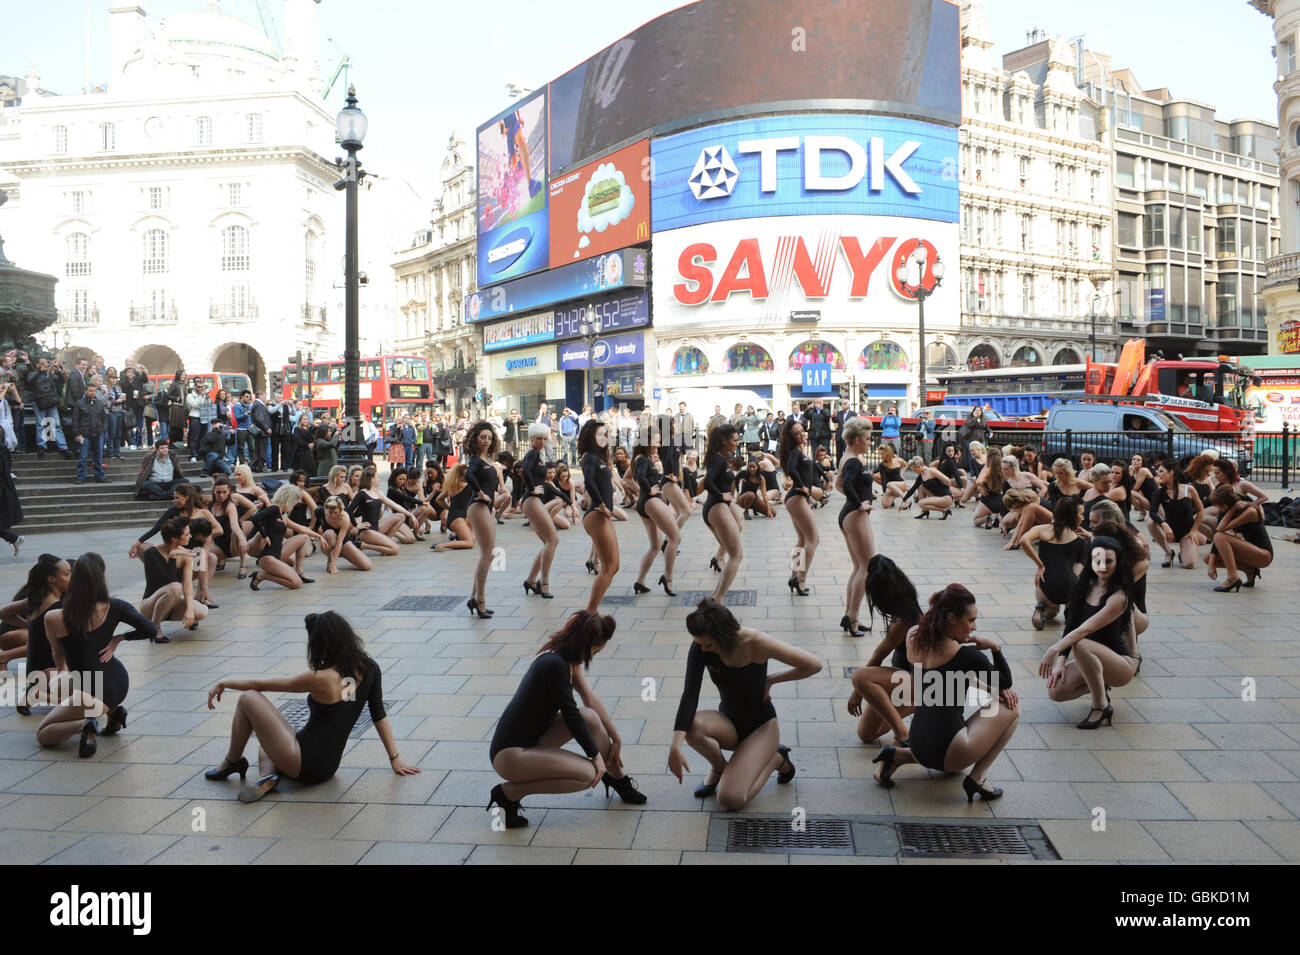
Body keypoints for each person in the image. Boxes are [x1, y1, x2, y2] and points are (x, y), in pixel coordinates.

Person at [205, 612, 418, 802]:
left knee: (248, 699)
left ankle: (232, 762)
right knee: (266, 745)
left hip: (303, 761)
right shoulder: (370, 668)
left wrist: (226, 683)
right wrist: (395, 759)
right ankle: (267, 779)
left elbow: (262, 685)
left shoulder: (321, 678)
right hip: (328, 766)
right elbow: (378, 715)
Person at [487, 611, 645, 827]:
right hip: (511, 756)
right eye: (595, 653)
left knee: (589, 717)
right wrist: (596, 756)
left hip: (533, 739)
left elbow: (590, 701)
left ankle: (617, 777)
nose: (592, 658)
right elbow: (570, 715)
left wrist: (616, 738)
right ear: (583, 643)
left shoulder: (565, 656)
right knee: (588, 774)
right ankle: (509, 793)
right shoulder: (555, 664)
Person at [669, 599, 821, 810]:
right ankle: (719, 767)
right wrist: (675, 746)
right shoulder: (701, 646)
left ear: (725, 635)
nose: (703, 649)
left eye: (708, 644)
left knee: (730, 799)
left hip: (761, 727)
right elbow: (690, 695)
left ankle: (776, 758)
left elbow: (814, 665)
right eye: (700, 644)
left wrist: (772, 679)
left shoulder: (757, 642)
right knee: (691, 727)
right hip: (728, 722)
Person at [871, 585, 1018, 801]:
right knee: (1013, 705)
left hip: (917, 741)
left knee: (947, 734)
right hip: (950, 752)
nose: (974, 627)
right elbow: (1005, 682)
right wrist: (995, 648)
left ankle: (898, 755)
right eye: (971, 620)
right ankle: (978, 778)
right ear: (951, 618)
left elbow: (946, 676)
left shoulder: (914, 636)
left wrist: (990, 689)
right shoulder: (967, 656)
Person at [39, 554, 158, 757]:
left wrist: (64, 674)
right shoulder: (115, 606)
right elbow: (151, 629)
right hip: (119, 682)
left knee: (43, 735)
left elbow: (58, 655)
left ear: (74, 580)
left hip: (90, 692)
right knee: (60, 685)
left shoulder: (54, 617)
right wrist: (118, 638)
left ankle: (85, 724)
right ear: (102, 577)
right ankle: (114, 711)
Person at [1038, 537, 1141, 728]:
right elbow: (1071, 625)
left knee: (1081, 642)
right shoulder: (1084, 586)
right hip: (1090, 658)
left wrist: (1054, 649)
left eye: (1109, 561)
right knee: (1056, 692)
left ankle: (1100, 706)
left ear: (1118, 562)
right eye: (1097, 561)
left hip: (1121, 665)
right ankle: (1099, 685)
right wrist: (1061, 660)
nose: (1103, 566)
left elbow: (1087, 628)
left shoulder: (1119, 595)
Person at [847, 556, 921, 745]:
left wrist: (858, 692)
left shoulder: (902, 621)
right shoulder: (907, 598)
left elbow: (878, 656)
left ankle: (903, 733)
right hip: (905, 678)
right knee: (867, 734)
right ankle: (909, 706)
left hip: (919, 682)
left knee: (860, 677)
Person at [1019, 498, 1087, 630]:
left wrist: (1040, 565)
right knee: (1059, 608)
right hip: (1069, 585)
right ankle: (1070, 609)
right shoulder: (1079, 540)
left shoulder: (1042, 530)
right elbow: (1079, 565)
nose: (1083, 518)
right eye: (1081, 514)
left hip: (1045, 584)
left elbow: (1023, 540)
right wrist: (1074, 578)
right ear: (1072, 516)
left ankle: (1041, 609)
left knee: (1051, 610)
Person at [836, 417, 876, 637]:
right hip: (855, 515)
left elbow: (838, 485)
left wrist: (858, 498)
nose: (870, 443)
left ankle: (850, 615)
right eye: (868, 439)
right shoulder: (854, 461)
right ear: (859, 440)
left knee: (858, 567)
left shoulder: (847, 457)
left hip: (849, 514)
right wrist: (860, 502)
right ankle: (852, 618)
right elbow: (847, 485)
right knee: (866, 568)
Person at [138, 515, 207, 639]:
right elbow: (166, 578)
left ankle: (182, 615)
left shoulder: (184, 554)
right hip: (149, 606)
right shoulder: (151, 553)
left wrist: (190, 610)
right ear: (175, 539)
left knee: (201, 611)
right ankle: (155, 627)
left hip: (171, 603)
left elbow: (187, 585)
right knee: (175, 587)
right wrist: (172, 556)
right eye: (187, 534)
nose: (190, 536)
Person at [630, 432, 681, 596]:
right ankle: (668, 577)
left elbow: (637, 476)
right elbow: (640, 476)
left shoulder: (641, 457)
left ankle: (640, 581)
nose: (658, 445)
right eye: (656, 442)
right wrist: (648, 490)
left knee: (655, 545)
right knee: (675, 538)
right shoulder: (643, 458)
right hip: (650, 501)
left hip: (646, 502)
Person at [460, 421, 501, 618]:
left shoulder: (487, 459)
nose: (486, 441)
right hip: (478, 506)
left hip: (486, 507)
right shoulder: (476, 459)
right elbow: (468, 474)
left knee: (489, 554)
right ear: (475, 438)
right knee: (488, 554)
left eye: (489, 438)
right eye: (483, 437)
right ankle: (480, 600)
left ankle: (474, 597)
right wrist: (481, 493)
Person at [578, 418, 619, 612]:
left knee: (613, 566)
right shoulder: (590, 457)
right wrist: (602, 505)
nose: (605, 437)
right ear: (590, 437)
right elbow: (589, 483)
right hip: (596, 514)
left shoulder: (598, 457)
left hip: (602, 515)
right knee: (609, 567)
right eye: (600, 434)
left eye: (606, 434)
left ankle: (591, 612)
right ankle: (590, 612)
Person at [701, 424, 742, 602]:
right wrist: (721, 495)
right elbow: (707, 482)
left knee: (735, 551)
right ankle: (718, 599)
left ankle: (717, 597)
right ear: (724, 441)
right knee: (736, 555)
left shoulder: (722, 458)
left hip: (718, 506)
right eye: (734, 440)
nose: (737, 443)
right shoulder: (717, 460)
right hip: (716, 506)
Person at [1206, 485, 1273, 591]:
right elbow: (1219, 530)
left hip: (1264, 555)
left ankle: (1233, 577)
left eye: (1218, 506)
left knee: (1220, 536)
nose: (1216, 508)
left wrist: (1232, 509)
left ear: (1226, 504)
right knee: (1208, 558)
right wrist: (1211, 564)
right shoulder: (1226, 510)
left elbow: (1220, 529)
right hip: (1250, 550)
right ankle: (1250, 570)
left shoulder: (1250, 512)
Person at [779, 417, 818, 596]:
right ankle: (800, 580)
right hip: (796, 497)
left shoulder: (798, 449)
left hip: (795, 498)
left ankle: (794, 576)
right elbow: (792, 470)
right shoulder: (795, 451)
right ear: (791, 437)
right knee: (813, 539)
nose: (801, 434)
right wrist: (802, 485)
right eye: (796, 433)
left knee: (802, 540)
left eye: (802, 431)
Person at [1148, 459, 1203, 569]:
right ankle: (1168, 552)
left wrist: (1193, 531)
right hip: (1170, 533)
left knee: (1189, 564)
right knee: (1150, 523)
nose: (1158, 474)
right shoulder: (1159, 492)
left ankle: (1182, 553)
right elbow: (1152, 512)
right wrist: (1164, 524)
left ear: (1171, 472)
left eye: (1161, 471)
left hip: (1186, 533)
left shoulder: (1189, 489)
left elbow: (1201, 511)